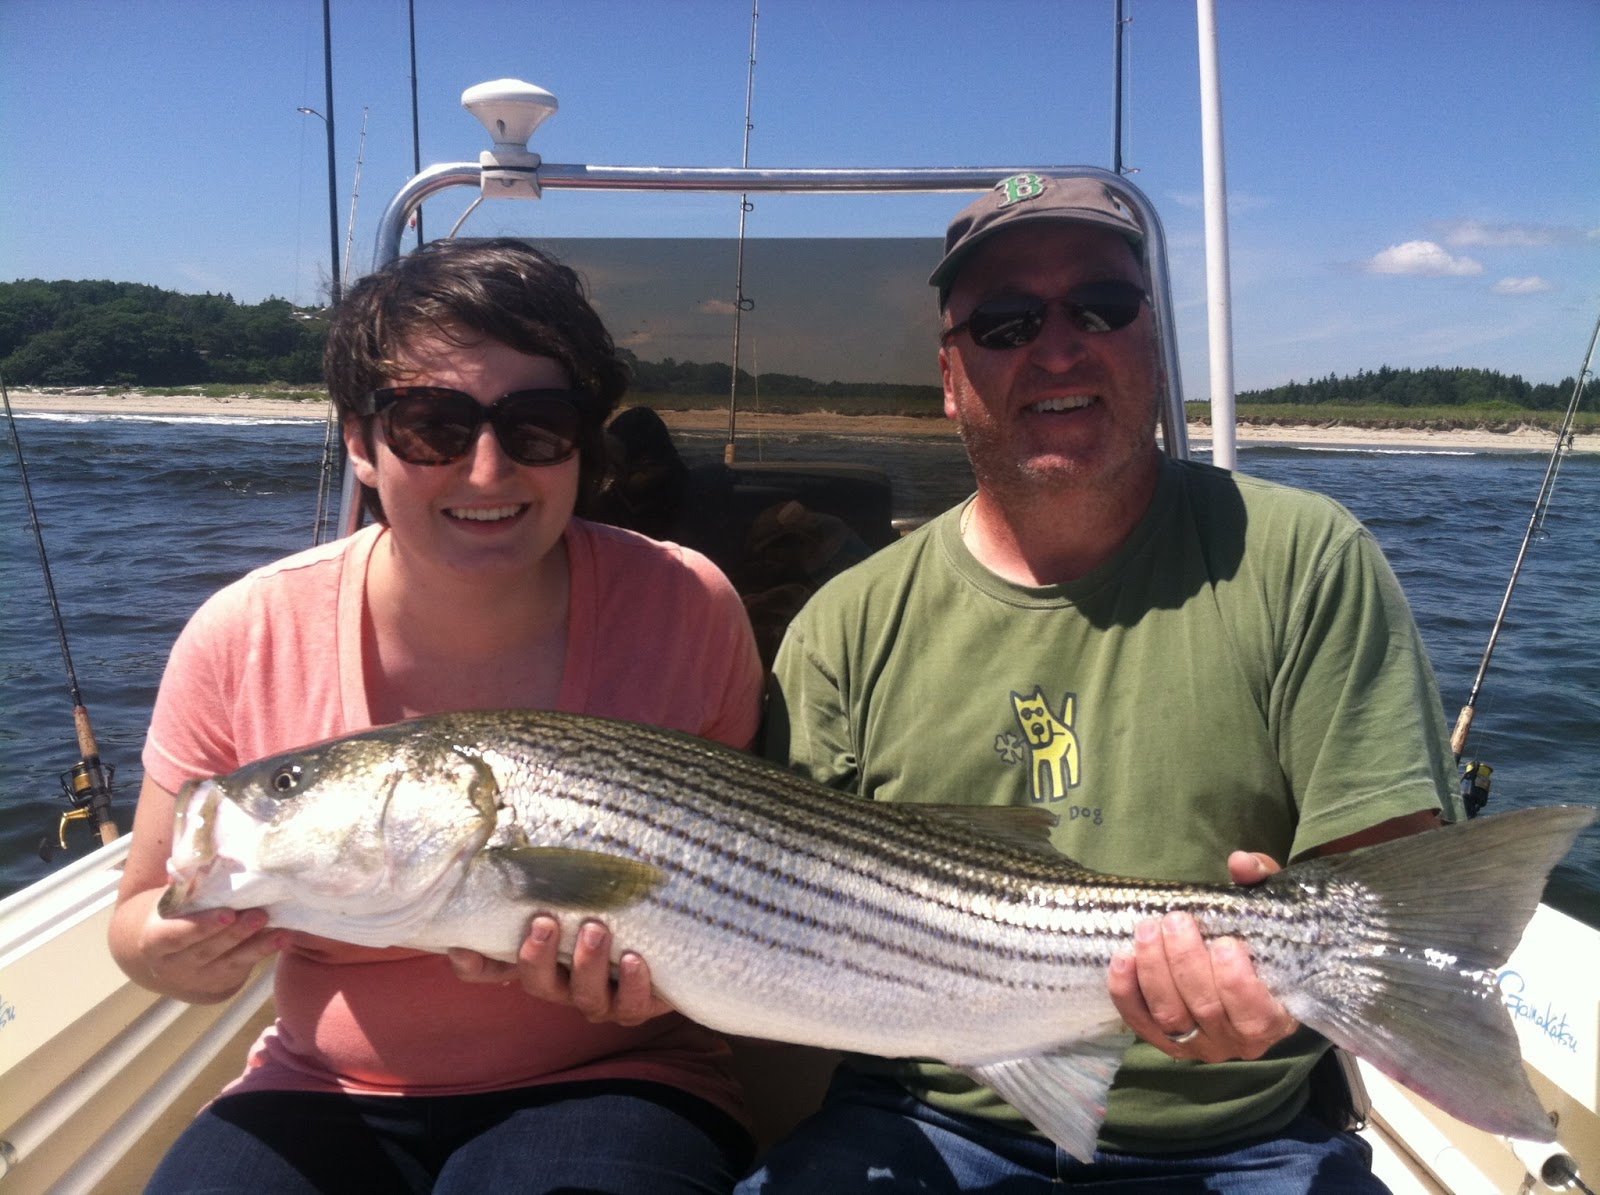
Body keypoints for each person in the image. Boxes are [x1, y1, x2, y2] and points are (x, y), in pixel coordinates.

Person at [740, 175, 1462, 1192]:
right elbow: (776, 914)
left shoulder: (1303, 556)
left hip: (1245, 1140)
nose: (1059, 345)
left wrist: (1286, 989)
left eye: (1101, 307)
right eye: (1003, 320)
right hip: (921, 1121)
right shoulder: (842, 626)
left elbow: (1387, 894)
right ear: (949, 374)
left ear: (1153, 347)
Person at [109, 238, 764, 1194]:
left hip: (618, 1075)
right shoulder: (242, 634)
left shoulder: (687, 603)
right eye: (432, 425)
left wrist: (642, 985)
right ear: (361, 442)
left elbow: (743, 884)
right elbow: (136, 919)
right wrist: (181, 956)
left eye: (538, 425)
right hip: (319, 1084)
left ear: (586, 437)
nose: (489, 472)